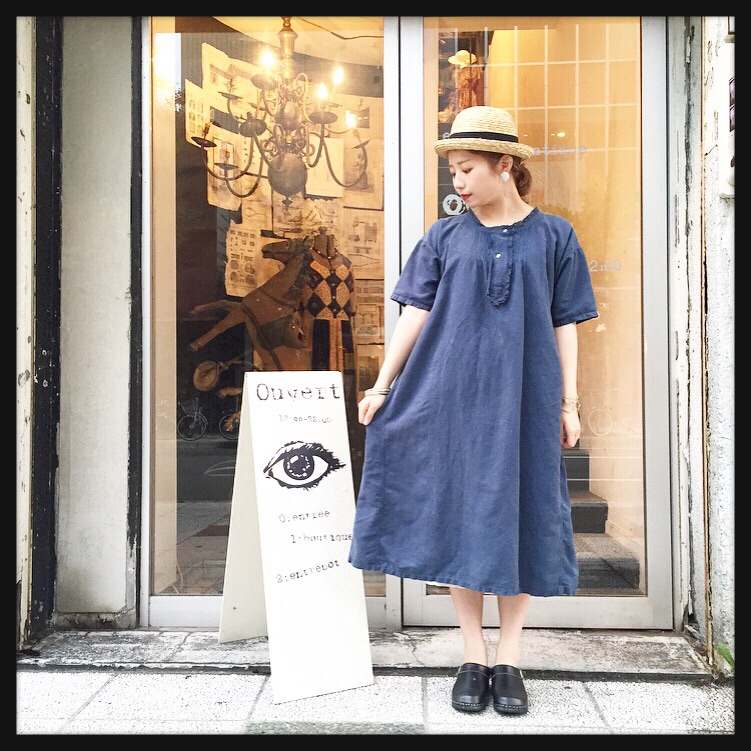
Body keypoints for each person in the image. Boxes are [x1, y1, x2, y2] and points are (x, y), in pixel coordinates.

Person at [348, 106, 598, 716]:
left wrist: (569, 402)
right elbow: (415, 314)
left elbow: (566, 322)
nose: (457, 181)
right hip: (450, 398)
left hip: (526, 398)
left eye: (467, 168)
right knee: (461, 516)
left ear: (504, 165)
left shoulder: (555, 236)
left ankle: (508, 658)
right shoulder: (443, 237)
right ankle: (472, 655)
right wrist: (382, 385)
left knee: (521, 514)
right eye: (453, 170)